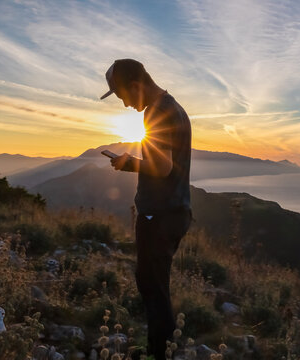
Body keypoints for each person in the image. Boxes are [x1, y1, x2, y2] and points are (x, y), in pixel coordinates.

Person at [100, 59, 192, 360]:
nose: (125, 104)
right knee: (152, 282)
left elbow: (163, 167)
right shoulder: (173, 107)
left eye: (123, 95)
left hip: (159, 216)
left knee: (154, 288)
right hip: (174, 212)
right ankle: (159, 347)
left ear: (137, 86)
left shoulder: (157, 111)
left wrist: (127, 163)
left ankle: (160, 353)